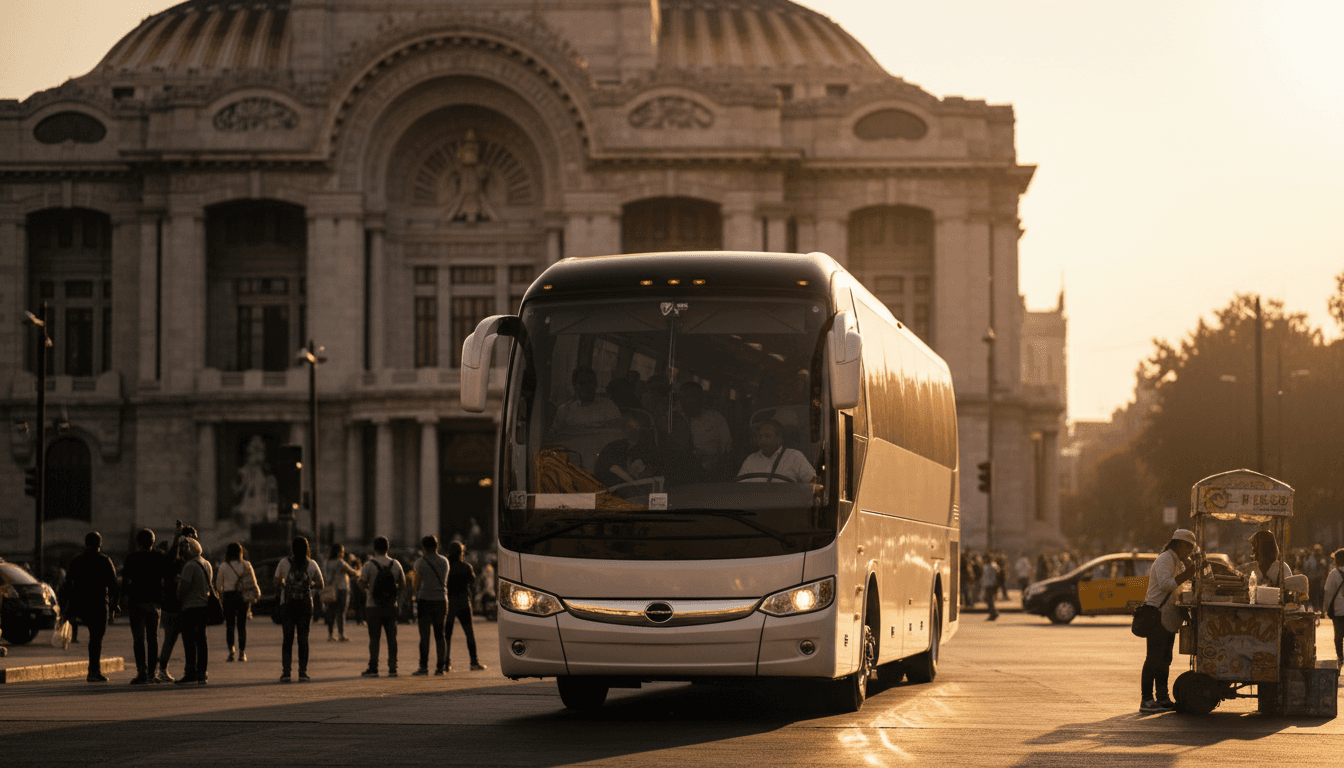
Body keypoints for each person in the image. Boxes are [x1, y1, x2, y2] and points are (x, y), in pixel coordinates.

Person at [1139, 528, 1199, 713]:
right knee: (1153, 659)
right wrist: (1189, 572)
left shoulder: (1176, 561)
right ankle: (1147, 700)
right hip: (1157, 615)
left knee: (1165, 659)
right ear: (1180, 545)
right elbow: (1166, 584)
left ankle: (1162, 697)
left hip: (1168, 616)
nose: (1188, 553)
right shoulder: (1166, 559)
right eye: (1188, 549)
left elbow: (1179, 588)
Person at [64, 532, 120, 682]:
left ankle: (93, 670)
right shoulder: (105, 560)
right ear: (100, 544)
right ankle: (94, 670)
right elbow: (113, 585)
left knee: (93, 637)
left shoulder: (77, 560)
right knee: (96, 638)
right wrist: (114, 606)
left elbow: (68, 583)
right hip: (99, 604)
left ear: (86, 543)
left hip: (82, 604)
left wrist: (68, 607)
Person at [274, 536, 324, 682]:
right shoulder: (312, 564)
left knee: (287, 638)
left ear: (292, 548)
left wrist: (285, 583)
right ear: (307, 548)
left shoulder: (284, 562)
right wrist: (309, 585)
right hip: (305, 604)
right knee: (303, 638)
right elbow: (321, 584)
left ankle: (286, 672)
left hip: (287, 604)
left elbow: (276, 581)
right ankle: (302, 672)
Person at [121, 528, 167, 684]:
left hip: (136, 602)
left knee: (138, 639)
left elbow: (125, 580)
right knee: (153, 638)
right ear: (153, 542)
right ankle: (152, 674)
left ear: (138, 542)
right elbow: (165, 578)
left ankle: (141, 672)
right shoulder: (159, 557)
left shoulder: (132, 558)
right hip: (154, 602)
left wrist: (123, 600)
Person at [358, 536, 405, 677]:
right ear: (388, 548)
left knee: (374, 638)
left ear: (374, 548)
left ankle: (373, 667)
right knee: (392, 638)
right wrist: (399, 602)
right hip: (391, 605)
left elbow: (361, 582)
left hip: (373, 606)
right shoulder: (395, 564)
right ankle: (393, 667)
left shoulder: (369, 564)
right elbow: (403, 585)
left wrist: (368, 589)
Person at [176, 536, 213, 684]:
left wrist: (177, 591)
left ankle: (190, 672)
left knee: (190, 642)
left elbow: (183, 588)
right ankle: (202, 673)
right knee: (202, 641)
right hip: (204, 606)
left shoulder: (190, 565)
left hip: (190, 607)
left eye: (184, 549)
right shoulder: (207, 563)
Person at [411, 535, 450, 676]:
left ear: (423, 548)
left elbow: (416, 585)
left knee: (425, 636)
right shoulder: (445, 561)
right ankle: (440, 667)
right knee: (440, 635)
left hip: (425, 600)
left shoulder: (420, 562)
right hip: (441, 600)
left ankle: (423, 667)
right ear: (437, 546)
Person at [445, 541, 486, 672]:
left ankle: (446, 663)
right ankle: (474, 662)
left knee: (447, 634)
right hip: (463, 601)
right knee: (469, 633)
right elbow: (473, 583)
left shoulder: (446, 567)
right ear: (461, 553)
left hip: (449, 602)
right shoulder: (466, 567)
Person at [215, 542, 259, 662]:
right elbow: (253, 582)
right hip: (242, 597)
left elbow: (219, 585)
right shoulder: (246, 564)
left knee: (229, 625)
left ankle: (231, 652)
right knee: (241, 626)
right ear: (241, 552)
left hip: (229, 597)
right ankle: (242, 653)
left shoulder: (224, 566)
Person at [736, 419, 814, 483]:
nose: (762, 440)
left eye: (767, 436)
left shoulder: (795, 456)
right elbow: (739, 488)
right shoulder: (750, 460)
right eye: (760, 436)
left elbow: (813, 483)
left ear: (779, 438)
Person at [678, 382, 732, 474]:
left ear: (700, 399)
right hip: (687, 471)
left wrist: (717, 462)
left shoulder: (715, 418)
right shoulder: (678, 420)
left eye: (689, 397)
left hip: (715, 470)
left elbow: (728, 448)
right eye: (682, 398)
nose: (685, 402)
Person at [553, 366, 622, 430]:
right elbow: (557, 436)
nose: (586, 386)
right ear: (575, 386)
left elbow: (616, 433)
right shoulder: (565, 410)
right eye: (582, 383)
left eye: (590, 382)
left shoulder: (608, 406)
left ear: (595, 385)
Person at [594, 417, 657, 487]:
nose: (638, 471)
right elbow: (614, 468)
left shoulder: (631, 449)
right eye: (638, 468)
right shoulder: (619, 446)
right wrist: (635, 484)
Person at [323, 544, 360, 642]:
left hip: (331, 589)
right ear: (338, 552)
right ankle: (341, 634)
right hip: (341, 589)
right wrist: (356, 567)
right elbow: (352, 572)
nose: (343, 553)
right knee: (341, 612)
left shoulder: (327, 562)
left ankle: (330, 635)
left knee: (331, 612)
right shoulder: (340, 562)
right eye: (342, 551)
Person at [1323, 548, 1344, 666]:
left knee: (1338, 636)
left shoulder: (1333, 574)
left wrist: (1325, 608)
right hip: (1339, 610)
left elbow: (1328, 592)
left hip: (1338, 610)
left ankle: (1340, 657)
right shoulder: (1333, 573)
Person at [980, 553, 1000, 621]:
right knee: (988, 599)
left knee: (989, 599)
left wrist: (995, 586)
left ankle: (993, 613)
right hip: (987, 584)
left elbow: (995, 577)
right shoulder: (986, 566)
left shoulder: (993, 566)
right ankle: (993, 612)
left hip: (991, 585)